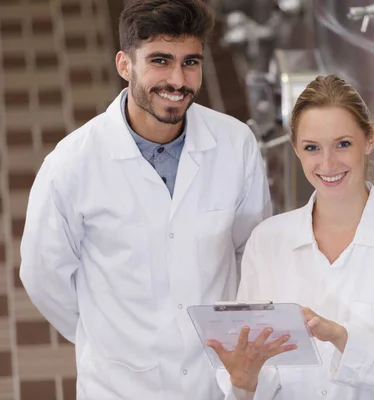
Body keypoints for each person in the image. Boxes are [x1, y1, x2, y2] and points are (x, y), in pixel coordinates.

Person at [19, 1, 271, 399]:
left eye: (191, 62)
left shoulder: (235, 144)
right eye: (160, 60)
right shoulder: (72, 164)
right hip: (121, 384)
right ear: (124, 65)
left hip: (214, 380)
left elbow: (251, 253)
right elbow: (43, 277)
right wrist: (107, 338)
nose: (178, 79)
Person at [208, 75, 374, 399]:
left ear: (370, 139)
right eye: (312, 148)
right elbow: (256, 374)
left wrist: (340, 337)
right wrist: (244, 382)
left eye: (343, 144)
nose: (328, 163)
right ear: (296, 149)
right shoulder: (268, 241)